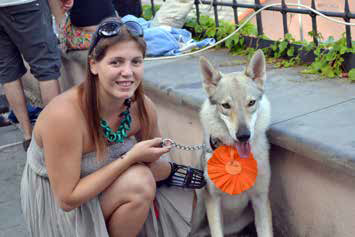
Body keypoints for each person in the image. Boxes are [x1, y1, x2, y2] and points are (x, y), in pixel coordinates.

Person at [21, 16, 205, 237]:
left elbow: (159, 168)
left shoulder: (142, 107)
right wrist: (129, 158)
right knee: (140, 182)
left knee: (182, 191)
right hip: (62, 202)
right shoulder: (64, 116)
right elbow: (67, 198)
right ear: (94, 65)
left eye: (135, 62)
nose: (127, 72)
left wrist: (203, 175)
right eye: (116, 62)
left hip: (109, 187)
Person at [0, 0, 72, 151]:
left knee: (8, 73)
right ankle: (55, 133)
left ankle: (28, 136)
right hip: (25, 4)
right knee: (46, 69)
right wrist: (60, 19)